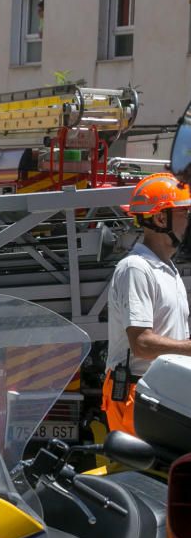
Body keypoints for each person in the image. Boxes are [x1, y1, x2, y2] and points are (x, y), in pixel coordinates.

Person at [103, 172, 191, 434]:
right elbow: (141, 344)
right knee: (144, 474)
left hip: (161, 393)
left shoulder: (168, 270)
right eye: (183, 212)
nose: (188, 220)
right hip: (138, 396)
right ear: (160, 218)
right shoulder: (136, 268)